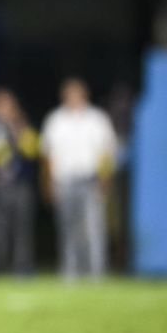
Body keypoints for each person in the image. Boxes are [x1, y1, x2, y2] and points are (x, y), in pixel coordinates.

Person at [40, 78, 117, 280]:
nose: (72, 98)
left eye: (75, 94)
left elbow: (107, 152)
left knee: (93, 229)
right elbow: (48, 156)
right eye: (68, 94)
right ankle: (70, 273)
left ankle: (96, 273)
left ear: (84, 95)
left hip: (89, 180)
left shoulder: (97, 119)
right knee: (67, 229)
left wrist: (105, 180)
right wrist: (48, 184)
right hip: (64, 181)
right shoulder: (55, 120)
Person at [0, 88, 39, 276]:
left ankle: (23, 266)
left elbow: (32, 151)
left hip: (21, 184)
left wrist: (17, 127)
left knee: (22, 227)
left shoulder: (22, 125)